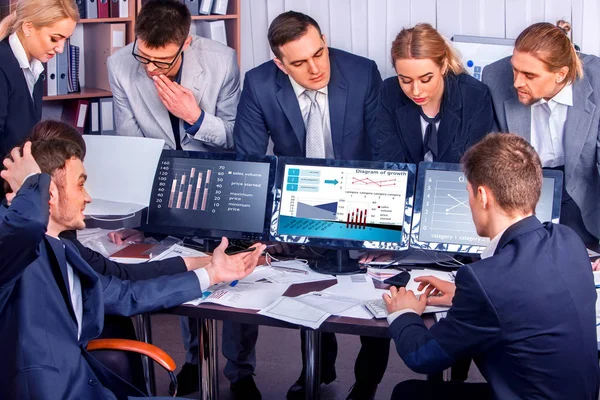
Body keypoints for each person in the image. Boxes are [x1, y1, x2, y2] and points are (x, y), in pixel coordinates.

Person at [0, 138, 266, 399]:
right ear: (49, 193)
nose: (88, 197)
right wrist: (31, 183)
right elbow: (26, 227)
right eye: (80, 185)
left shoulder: (64, 250)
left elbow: (128, 294)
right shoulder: (13, 259)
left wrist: (213, 273)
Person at [231, 10, 385, 400]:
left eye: (320, 53)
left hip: (364, 196)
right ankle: (316, 369)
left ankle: (366, 383)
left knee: (372, 295)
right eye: (300, 62)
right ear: (279, 64)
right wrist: (263, 231)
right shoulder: (259, 84)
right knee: (310, 286)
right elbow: (249, 160)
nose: (316, 68)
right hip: (301, 200)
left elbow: (385, 152)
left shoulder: (363, 72)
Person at [385, 133, 599, 399]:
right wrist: (462, 296)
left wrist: (402, 313)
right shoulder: (568, 240)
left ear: (483, 196)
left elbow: (423, 357)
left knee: (406, 393)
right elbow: (525, 297)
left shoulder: (486, 281)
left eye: (469, 194)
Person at [482, 22, 600, 244]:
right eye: (514, 69)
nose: (517, 82)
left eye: (529, 75)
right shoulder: (494, 78)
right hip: (524, 190)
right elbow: (493, 164)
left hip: (585, 193)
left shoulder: (598, 80)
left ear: (560, 74)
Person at [107, 0, 239, 151]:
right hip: (151, 166)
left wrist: (195, 117)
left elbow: (234, 137)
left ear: (186, 43)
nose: (150, 68)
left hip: (208, 166)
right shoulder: (118, 65)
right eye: (143, 55)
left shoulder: (223, 61)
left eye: (163, 60)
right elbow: (130, 144)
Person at [375, 23, 493, 163]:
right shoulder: (390, 92)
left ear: (443, 66)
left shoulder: (475, 96)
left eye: (426, 79)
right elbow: (389, 162)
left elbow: (476, 167)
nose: (416, 91)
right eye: (405, 81)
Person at [0, 0, 78, 183]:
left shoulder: (34, 69)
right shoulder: (3, 65)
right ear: (28, 27)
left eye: (65, 39)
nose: (60, 49)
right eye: (54, 38)